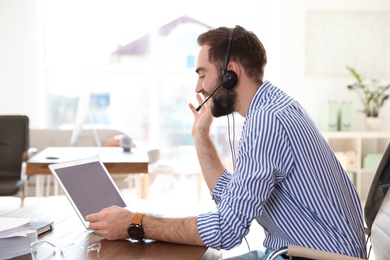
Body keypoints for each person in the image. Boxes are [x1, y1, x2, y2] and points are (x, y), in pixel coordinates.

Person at [86, 25, 367, 259]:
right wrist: (201, 135)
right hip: (308, 252)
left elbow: (226, 230)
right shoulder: (273, 107)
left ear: (230, 73)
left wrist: (135, 223)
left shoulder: (267, 121)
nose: (198, 87)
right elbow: (229, 196)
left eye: (202, 74)